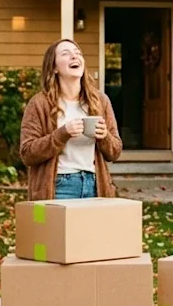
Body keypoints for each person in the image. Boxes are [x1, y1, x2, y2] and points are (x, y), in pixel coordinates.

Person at [19, 39, 123, 200]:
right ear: (54, 67)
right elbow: (27, 154)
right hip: (58, 187)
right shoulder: (39, 103)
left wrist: (105, 137)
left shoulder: (100, 101)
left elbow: (115, 152)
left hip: (95, 184)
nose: (74, 57)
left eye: (78, 53)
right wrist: (62, 133)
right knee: (54, 226)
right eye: (65, 54)